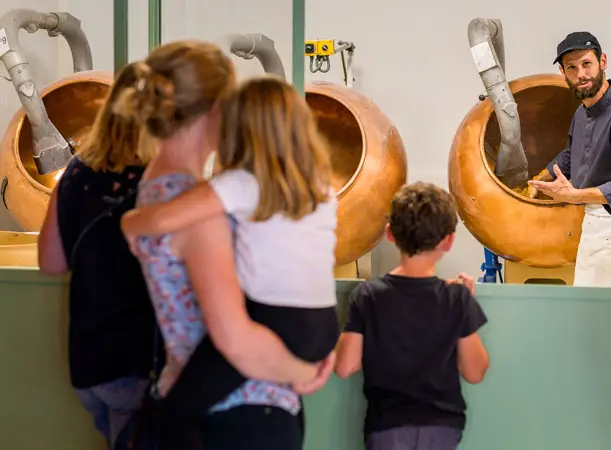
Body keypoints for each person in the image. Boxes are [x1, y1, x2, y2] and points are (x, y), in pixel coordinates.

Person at [113, 40, 331, 450]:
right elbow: (233, 338)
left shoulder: (158, 189)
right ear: (217, 110)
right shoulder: (197, 205)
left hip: (221, 403)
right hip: (242, 413)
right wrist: (303, 370)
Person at [37, 63, 161, 449]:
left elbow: (51, 262)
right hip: (139, 359)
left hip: (89, 359)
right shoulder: (160, 180)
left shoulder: (76, 172)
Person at [335, 182, 490, 450]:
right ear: (449, 241)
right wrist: (464, 307)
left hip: (386, 427)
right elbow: (475, 372)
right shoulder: (456, 298)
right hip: (442, 427)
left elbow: (345, 365)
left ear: (390, 234)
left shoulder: (367, 296)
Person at [530, 31, 611, 287]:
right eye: (572, 68)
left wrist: (574, 196)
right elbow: (572, 154)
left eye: (587, 63)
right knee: (586, 316)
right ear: (563, 74)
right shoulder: (581, 112)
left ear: (603, 62)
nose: (581, 74)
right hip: (592, 227)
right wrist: (536, 181)